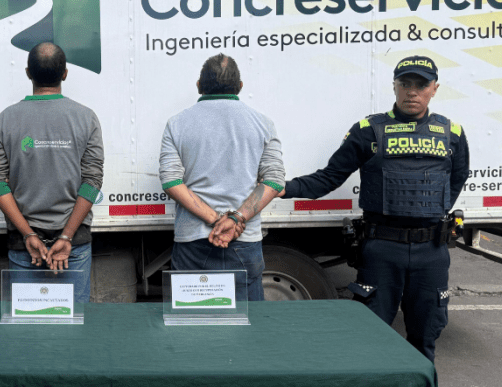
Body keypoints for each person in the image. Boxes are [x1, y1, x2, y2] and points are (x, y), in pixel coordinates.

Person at [282, 55, 469, 362]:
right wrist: (283, 188)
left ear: (434, 88)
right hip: (382, 249)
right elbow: (329, 178)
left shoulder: (453, 134)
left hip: (431, 252)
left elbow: (457, 179)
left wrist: (430, 212)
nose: (412, 91)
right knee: (370, 337)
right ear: (394, 87)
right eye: (405, 84)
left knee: (425, 338)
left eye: (421, 85)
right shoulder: (368, 130)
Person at [158, 53, 285, 302]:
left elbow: (171, 181)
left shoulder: (177, 124)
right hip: (243, 237)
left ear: (199, 86)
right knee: (248, 326)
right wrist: (235, 219)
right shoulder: (263, 124)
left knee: (193, 321)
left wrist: (216, 219)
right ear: (239, 86)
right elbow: (274, 181)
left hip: (193, 239)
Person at [0, 42, 104, 302]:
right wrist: (67, 236)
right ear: (65, 73)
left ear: (28, 73)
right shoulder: (86, 118)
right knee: (75, 319)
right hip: (73, 242)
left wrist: (28, 234)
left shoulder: (6, 119)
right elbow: (92, 183)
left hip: (25, 243)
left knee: (29, 322)